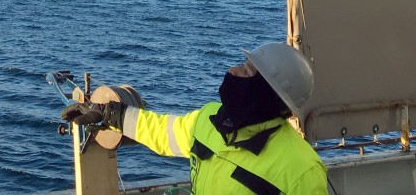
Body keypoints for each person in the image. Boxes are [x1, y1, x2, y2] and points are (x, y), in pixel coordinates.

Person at [61, 42, 328, 195]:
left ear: (268, 93)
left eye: (246, 71)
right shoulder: (209, 118)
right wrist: (109, 114)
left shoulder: (301, 170)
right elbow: (162, 132)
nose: (232, 70)